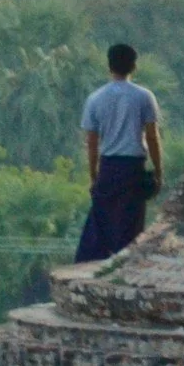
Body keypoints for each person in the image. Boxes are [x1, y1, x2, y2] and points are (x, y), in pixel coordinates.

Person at [74, 43, 162, 264]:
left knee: (101, 222)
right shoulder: (144, 97)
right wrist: (158, 171)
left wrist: (94, 176)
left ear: (109, 65)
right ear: (134, 66)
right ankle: (124, 265)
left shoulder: (95, 99)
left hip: (109, 166)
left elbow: (92, 143)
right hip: (133, 167)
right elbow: (152, 137)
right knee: (130, 223)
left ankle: (94, 268)